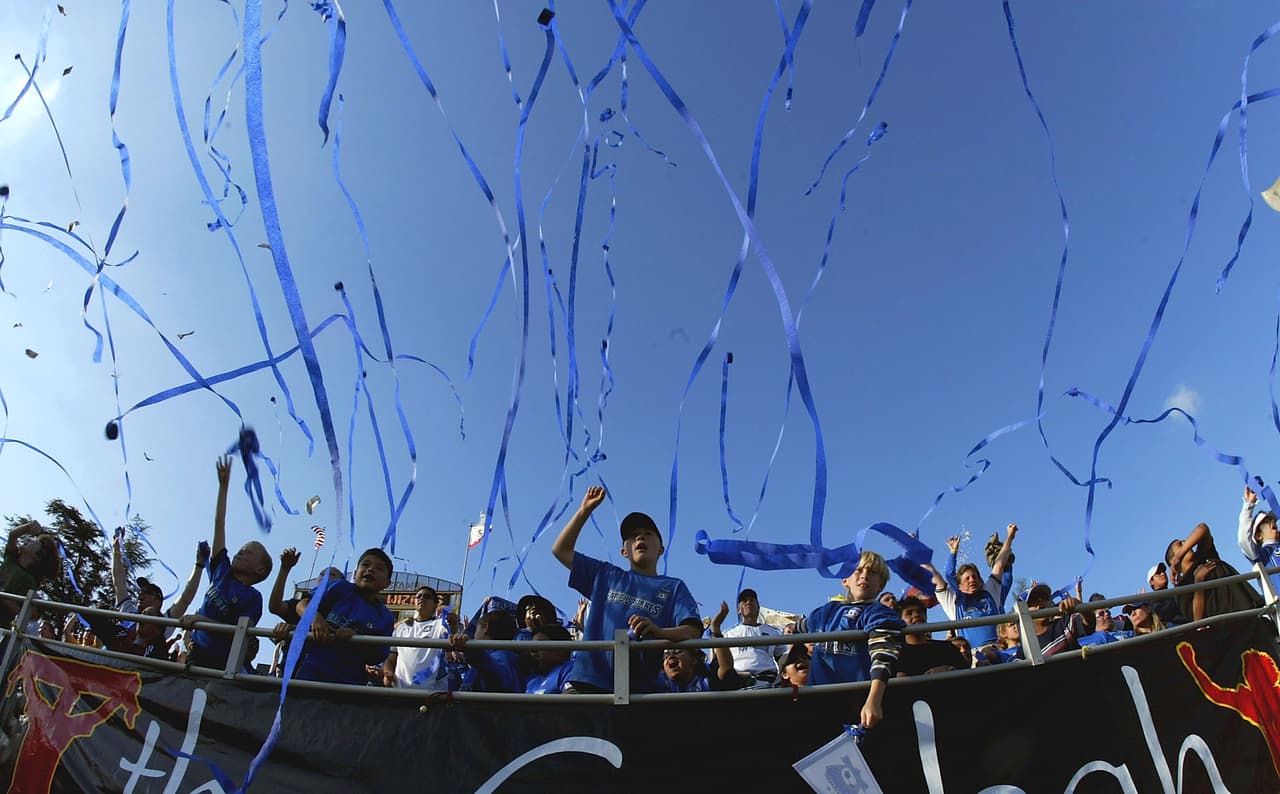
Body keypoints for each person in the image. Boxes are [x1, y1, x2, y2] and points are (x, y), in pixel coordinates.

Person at [551, 486, 701, 694]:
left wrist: (658, 632)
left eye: (647, 534)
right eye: (633, 537)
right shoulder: (605, 575)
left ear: (661, 549)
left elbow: (693, 631)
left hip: (641, 690)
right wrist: (584, 510)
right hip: (588, 681)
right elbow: (560, 550)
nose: (640, 538)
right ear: (624, 551)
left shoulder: (673, 586)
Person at [792, 551, 903, 729]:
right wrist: (792, 631)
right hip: (817, 702)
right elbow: (798, 628)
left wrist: (874, 700)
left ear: (881, 585)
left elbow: (883, 655)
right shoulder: (825, 611)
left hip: (858, 703)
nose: (864, 575)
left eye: (872, 572)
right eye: (858, 571)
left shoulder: (878, 612)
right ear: (845, 580)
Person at [179, 456, 272, 669]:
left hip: (221, 661)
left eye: (248, 553)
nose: (240, 553)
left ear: (260, 570)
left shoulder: (253, 598)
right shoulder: (221, 571)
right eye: (240, 550)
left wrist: (200, 621)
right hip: (196, 651)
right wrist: (223, 486)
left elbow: (236, 632)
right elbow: (219, 524)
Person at [293, 548, 396, 685]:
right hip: (313, 670)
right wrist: (315, 618)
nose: (370, 570)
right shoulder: (339, 587)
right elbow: (302, 604)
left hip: (349, 681)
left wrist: (355, 639)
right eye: (365, 564)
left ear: (387, 583)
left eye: (379, 568)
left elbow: (377, 656)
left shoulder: (385, 617)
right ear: (355, 573)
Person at [936, 524, 1017, 657]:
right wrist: (953, 552)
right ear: (960, 585)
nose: (972, 580)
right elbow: (949, 574)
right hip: (973, 655)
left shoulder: (990, 591)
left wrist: (1010, 537)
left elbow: (1000, 564)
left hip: (1000, 650)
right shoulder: (956, 603)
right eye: (967, 579)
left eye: (974, 577)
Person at [111, 532, 206, 643]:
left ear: (158, 600)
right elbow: (118, 581)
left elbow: (185, 600)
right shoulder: (127, 610)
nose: (140, 593)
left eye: (146, 591)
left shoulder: (163, 622)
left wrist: (199, 565)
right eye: (140, 591)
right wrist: (116, 549)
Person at [1166, 521, 1263, 622]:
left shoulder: (1205, 556)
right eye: (1180, 545)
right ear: (1171, 561)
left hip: (1251, 612)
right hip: (1226, 628)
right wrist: (1199, 581)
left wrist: (1178, 556)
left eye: (1184, 541)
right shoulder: (1181, 588)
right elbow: (1197, 619)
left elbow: (1203, 528)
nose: (1186, 542)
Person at [713, 588, 785, 687]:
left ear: (758, 607)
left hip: (768, 682)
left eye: (752, 600)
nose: (748, 602)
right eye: (744, 601)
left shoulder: (773, 632)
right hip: (739, 683)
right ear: (738, 610)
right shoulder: (729, 634)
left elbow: (782, 658)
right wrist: (716, 626)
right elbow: (719, 664)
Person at [383, 585, 451, 690]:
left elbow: (451, 638)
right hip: (399, 692)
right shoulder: (401, 627)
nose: (421, 599)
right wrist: (388, 673)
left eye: (427, 597)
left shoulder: (440, 625)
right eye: (418, 596)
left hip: (431, 694)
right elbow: (391, 658)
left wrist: (454, 626)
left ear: (435, 605)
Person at [0, 521, 60, 628]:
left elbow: (26, 612)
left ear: (37, 557)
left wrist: (4, 597)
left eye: (34, 543)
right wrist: (28, 527)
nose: (28, 541)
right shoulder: (12, 558)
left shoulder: (30, 581)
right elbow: (12, 535)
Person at [448, 610, 524, 693]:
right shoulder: (507, 657)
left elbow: (491, 668)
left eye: (477, 629)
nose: (474, 635)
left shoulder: (502, 657)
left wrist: (471, 650)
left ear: (485, 628)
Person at [894, 595, 967, 676]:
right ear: (899, 620)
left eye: (919, 611)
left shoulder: (947, 648)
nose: (916, 615)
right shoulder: (897, 655)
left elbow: (966, 677)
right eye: (909, 613)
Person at [1024, 584, 1094, 655]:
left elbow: (1089, 622)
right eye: (1032, 601)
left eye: (1044, 597)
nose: (1040, 601)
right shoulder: (1025, 649)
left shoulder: (1064, 624)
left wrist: (1078, 605)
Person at [1238, 486, 1280, 594]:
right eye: (1266, 521)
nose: (1272, 522)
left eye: (1273, 520)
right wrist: (1249, 505)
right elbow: (1243, 539)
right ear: (1258, 536)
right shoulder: (1260, 554)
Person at [524, 624, 574, 694]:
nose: (533, 652)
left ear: (560, 649)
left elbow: (571, 699)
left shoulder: (569, 669)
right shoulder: (532, 682)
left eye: (539, 646)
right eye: (533, 648)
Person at [1143, 562, 1186, 626]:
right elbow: (1162, 614)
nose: (1163, 574)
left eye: (1163, 571)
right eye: (1158, 573)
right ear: (1151, 581)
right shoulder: (1152, 599)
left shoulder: (1175, 591)